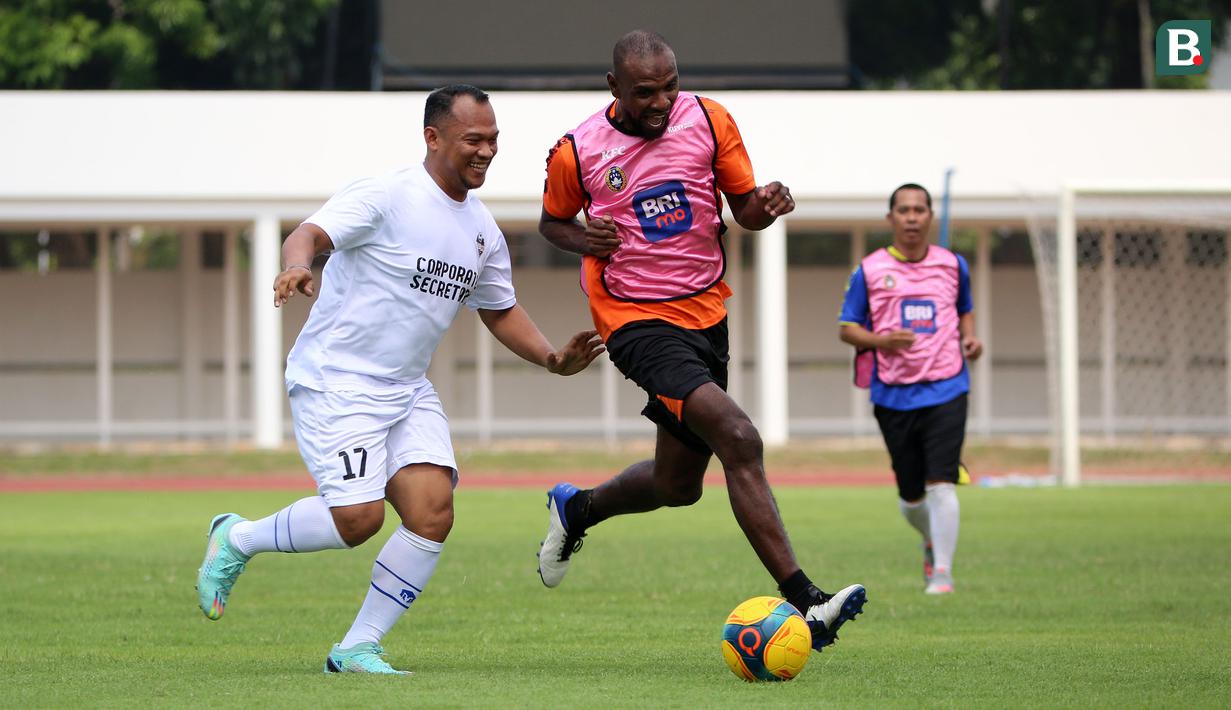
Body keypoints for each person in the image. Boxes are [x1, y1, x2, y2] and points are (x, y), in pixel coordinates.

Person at [195, 84, 604, 674]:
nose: (487, 151)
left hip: (406, 388)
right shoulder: (387, 195)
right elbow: (308, 234)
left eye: (493, 140)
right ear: (432, 138)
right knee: (358, 521)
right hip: (337, 380)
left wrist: (549, 358)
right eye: (473, 139)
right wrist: (296, 266)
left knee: (432, 511)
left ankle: (356, 647)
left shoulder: (483, 231)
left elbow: (498, 309)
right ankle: (237, 538)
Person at [534, 29, 866, 652]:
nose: (661, 102)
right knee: (738, 436)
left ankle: (577, 509)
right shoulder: (578, 151)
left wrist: (766, 204)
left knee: (678, 485)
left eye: (670, 87)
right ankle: (808, 601)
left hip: (707, 315)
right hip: (633, 319)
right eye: (644, 92)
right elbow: (552, 222)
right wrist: (585, 239)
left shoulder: (710, 120)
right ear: (614, 87)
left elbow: (744, 211)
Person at [838, 183, 983, 595]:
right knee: (911, 499)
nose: (912, 217)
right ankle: (931, 537)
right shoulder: (869, 270)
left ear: (930, 216)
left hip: (947, 386)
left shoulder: (953, 265)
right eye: (904, 210)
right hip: (893, 393)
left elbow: (965, 310)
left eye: (920, 209)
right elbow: (847, 329)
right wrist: (882, 341)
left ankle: (942, 575)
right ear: (891, 218)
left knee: (942, 484)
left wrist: (970, 339)